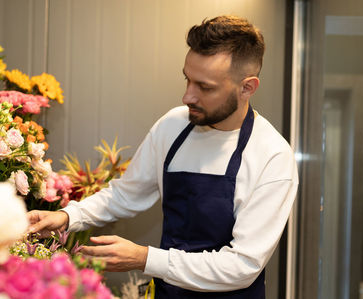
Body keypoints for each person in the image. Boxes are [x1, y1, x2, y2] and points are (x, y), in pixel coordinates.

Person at [27, 15, 298, 298]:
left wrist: (146, 259)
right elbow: (125, 194)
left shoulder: (272, 156)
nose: (187, 97)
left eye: (204, 87)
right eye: (187, 80)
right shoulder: (173, 125)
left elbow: (242, 266)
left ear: (247, 88)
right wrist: (67, 216)